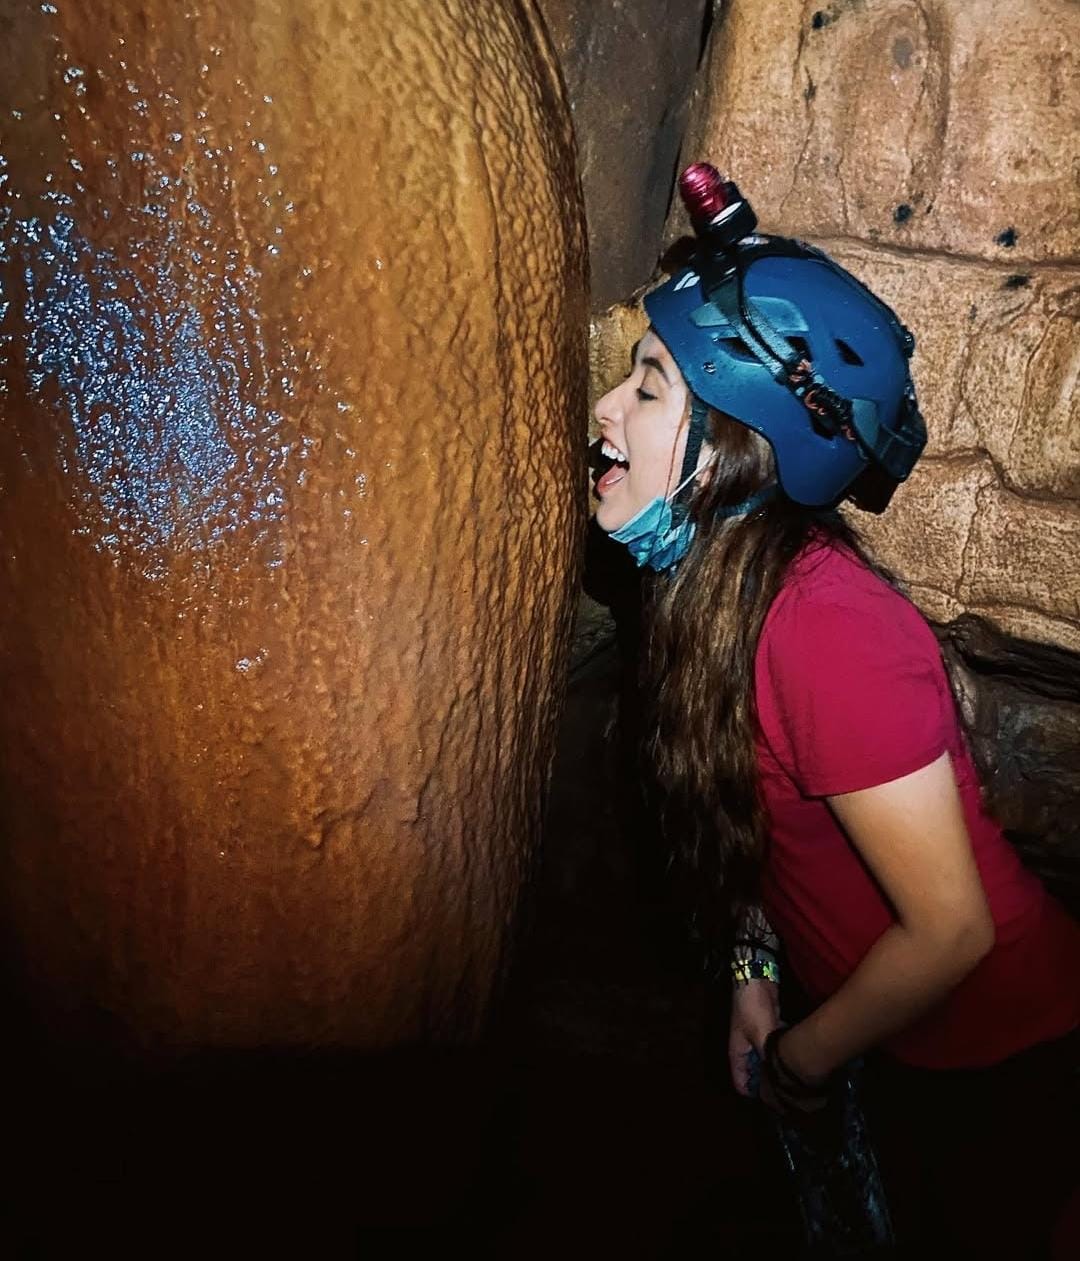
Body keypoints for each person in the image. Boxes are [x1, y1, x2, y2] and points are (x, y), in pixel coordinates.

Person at [591, 165, 1080, 1255]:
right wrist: (754, 975)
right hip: (892, 1044)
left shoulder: (827, 629)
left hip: (1013, 1063)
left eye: (653, 386)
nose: (607, 407)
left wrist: (808, 1058)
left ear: (742, 444)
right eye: (631, 375)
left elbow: (952, 930)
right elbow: (755, 830)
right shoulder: (706, 592)